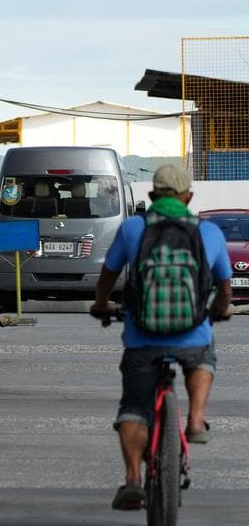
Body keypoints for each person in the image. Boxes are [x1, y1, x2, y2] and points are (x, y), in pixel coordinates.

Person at [89, 164, 234, 511]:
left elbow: (108, 276)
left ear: (152, 196)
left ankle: (132, 481)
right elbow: (225, 288)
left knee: (135, 407)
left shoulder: (132, 227)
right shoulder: (208, 232)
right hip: (192, 334)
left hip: (143, 339)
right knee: (203, 356)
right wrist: (219, 309)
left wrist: (100, 305)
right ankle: (196, 419)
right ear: (189, 197)